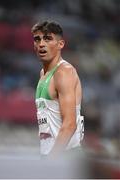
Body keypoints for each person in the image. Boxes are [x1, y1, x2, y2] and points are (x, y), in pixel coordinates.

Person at [31, 20, 84, 158]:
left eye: (48, 39)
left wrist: (52, 161)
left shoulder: (64, 72)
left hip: (66, 157)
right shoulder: (43, 74)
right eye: (37, 39)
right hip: (52, 155)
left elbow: (70, 124)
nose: (41, 44)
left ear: (61, 44)